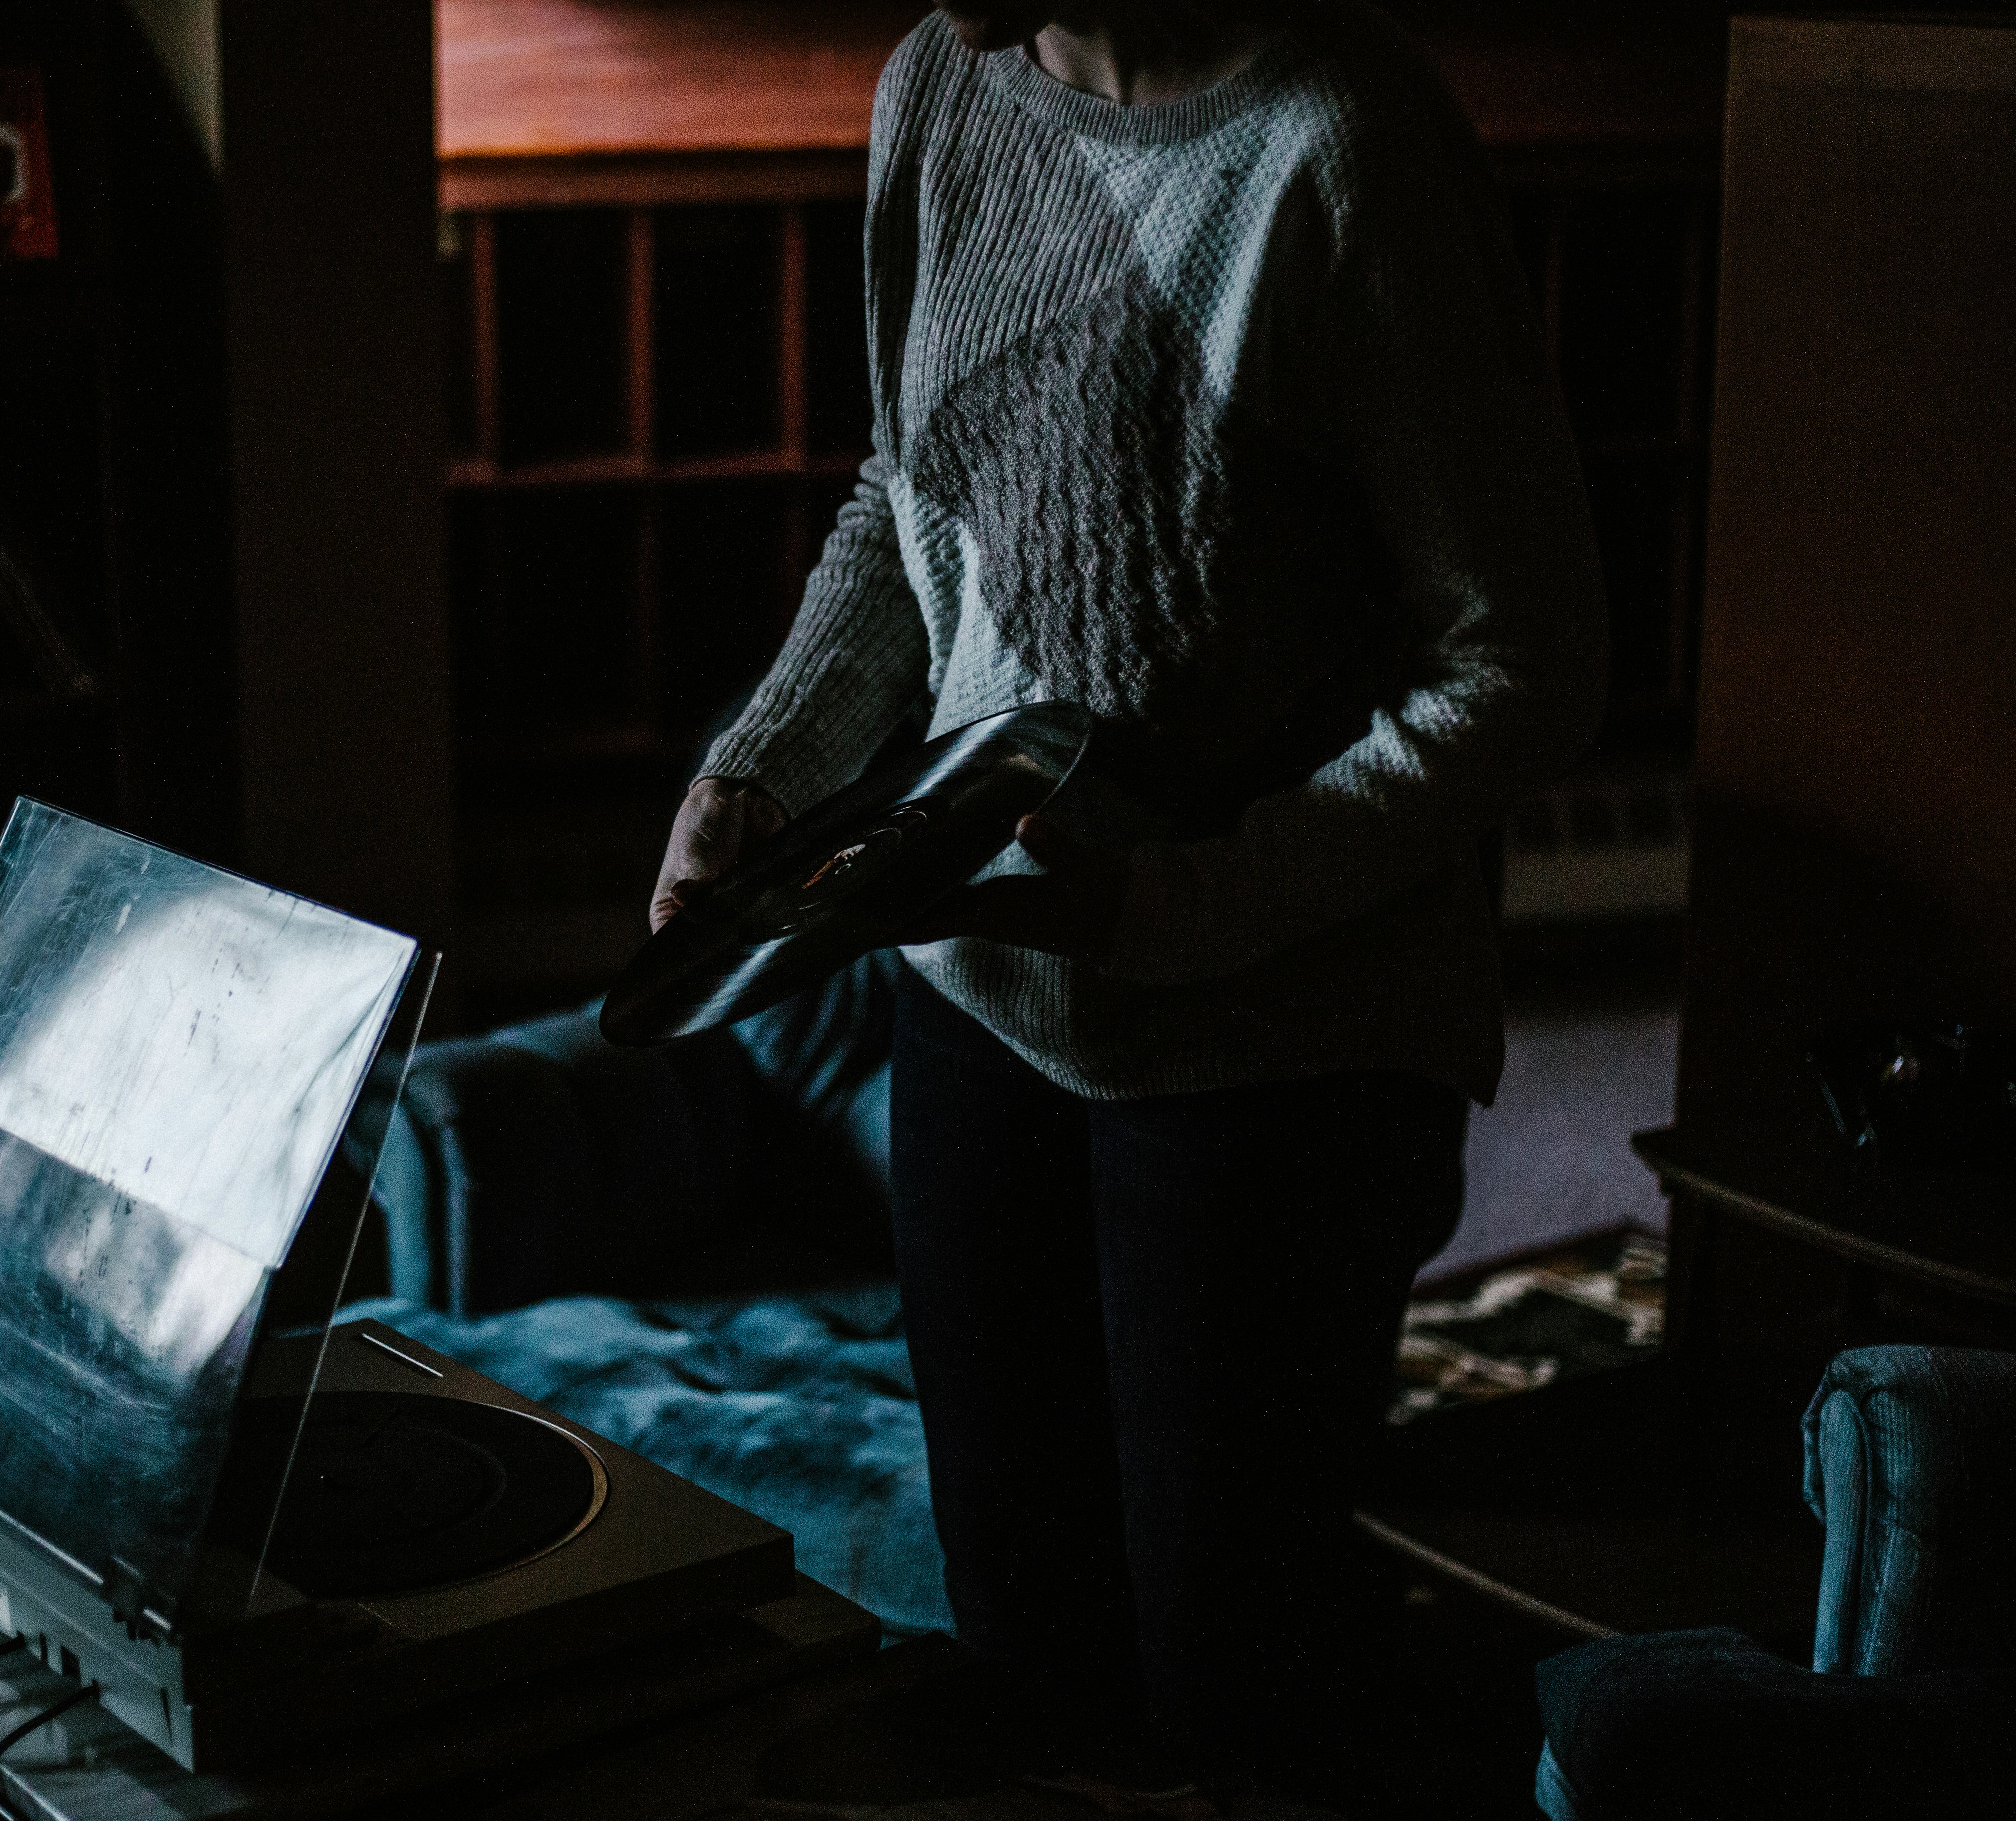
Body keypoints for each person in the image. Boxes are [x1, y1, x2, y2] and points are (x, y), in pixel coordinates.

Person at [648, 1, 1606, 1812]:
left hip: (1272, 1051)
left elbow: (1526, 665)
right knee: (1019, 1648)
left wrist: (1170, 908)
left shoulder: (1337, 146)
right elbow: (911, 487)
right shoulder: (936, 84)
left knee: (1225, 1687)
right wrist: (765, 763)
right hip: (976, 992)